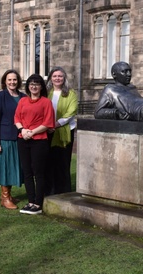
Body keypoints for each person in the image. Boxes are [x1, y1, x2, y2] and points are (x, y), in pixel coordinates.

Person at [14, 74, 55, 215]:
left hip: (39, 140)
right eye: (31, 83)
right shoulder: (23, 101)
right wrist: (23, 130)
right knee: (27, 172)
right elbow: (17, 118)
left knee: (38, 172)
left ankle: (38, 203)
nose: (34, 86)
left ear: (41, 87)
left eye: (37, 84)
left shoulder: (46, 102)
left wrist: (32, 132)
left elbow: (48, 122)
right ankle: (30, 201)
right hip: (23, 139)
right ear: (28, 86)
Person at [0, 69, 27, 210]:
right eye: (9, 80)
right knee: (5, 167)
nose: (12, 82)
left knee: (15, 166)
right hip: (4, 137)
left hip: (20, 137)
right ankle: (4, 198)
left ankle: (9, 195)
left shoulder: (23, 97)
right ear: (5, 81)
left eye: (14, 79)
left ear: (18, 81)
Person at [45, 67, 78, 195]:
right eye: (54, 76)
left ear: (64, 79)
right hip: (47, 131)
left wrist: (56, 124)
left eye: (60, 76)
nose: (57, 78)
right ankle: (50, 190)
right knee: (49, 162)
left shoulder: (71, 93)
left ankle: (63, 191)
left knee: (63, 162)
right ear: (50, 79)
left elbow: (71, 111)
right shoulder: (47, 93)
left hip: (65, 131)